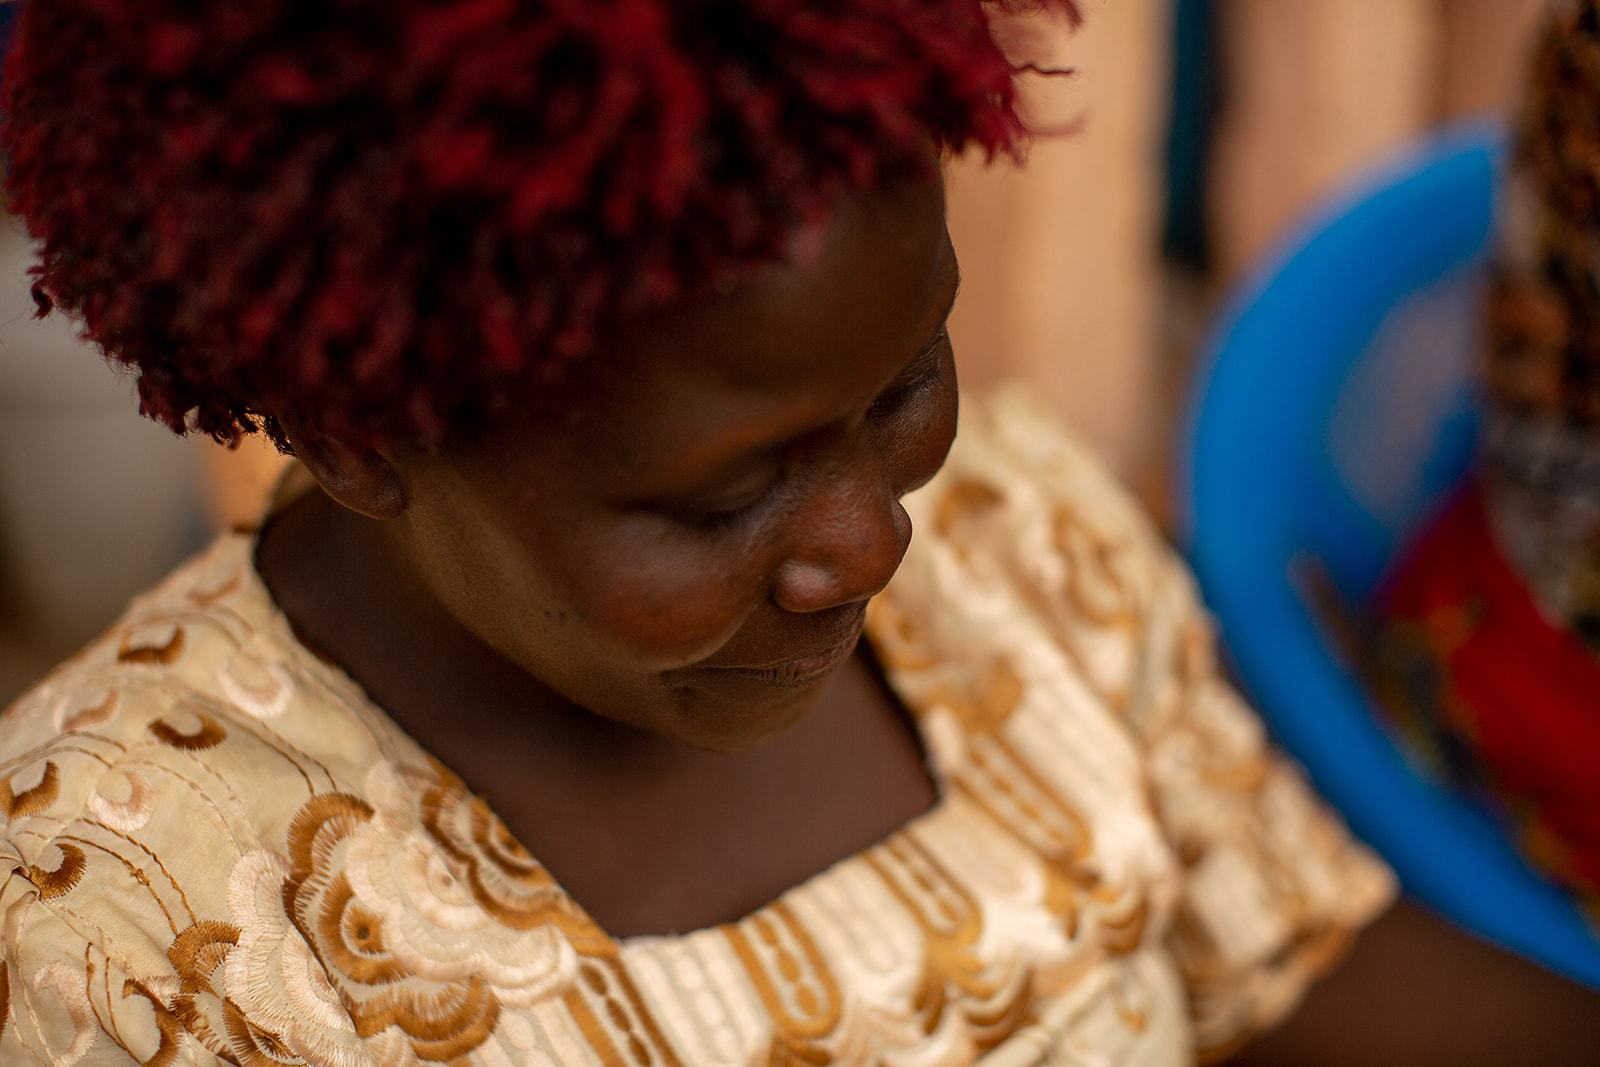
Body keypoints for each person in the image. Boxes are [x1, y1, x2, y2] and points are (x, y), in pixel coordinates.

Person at [0, 2, 1593, 1064]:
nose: (872, 541)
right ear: (358, 437)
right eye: (718, 498)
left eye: (906, 383)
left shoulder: (1018, 539)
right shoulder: (123, 911)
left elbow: (1299, 970)